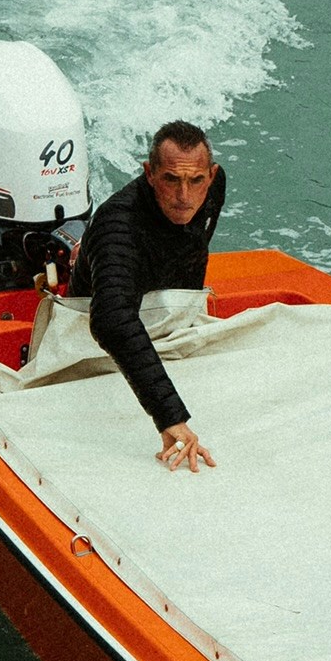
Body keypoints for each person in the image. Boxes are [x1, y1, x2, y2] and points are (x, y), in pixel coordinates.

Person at [73, 121, 226, 473]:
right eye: (172, 179)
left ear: (211, 175)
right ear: (149, 174)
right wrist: (169, 416)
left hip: (166, 318)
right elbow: (111, 321)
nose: (185, 197)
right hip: (94, 339)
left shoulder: (213, 188)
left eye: (196, 180)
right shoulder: (119, 225)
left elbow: (193, 248)